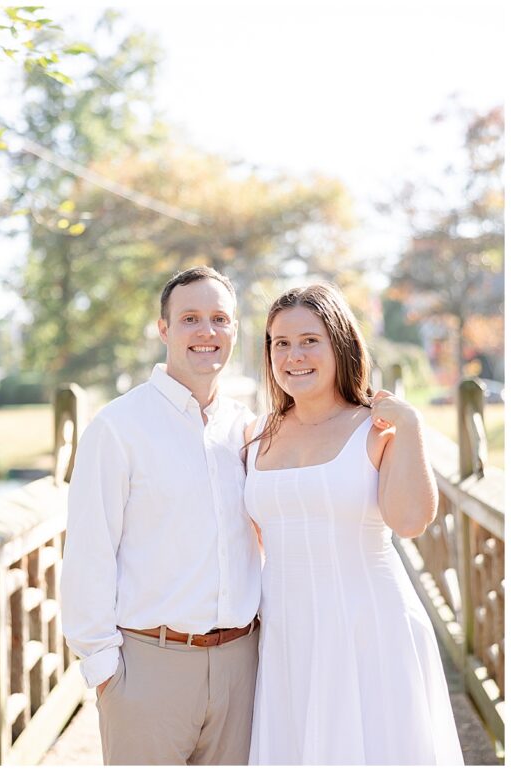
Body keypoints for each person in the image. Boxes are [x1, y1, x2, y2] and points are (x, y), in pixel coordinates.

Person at [244, 283, 463, 765]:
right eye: (281, 343)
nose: (293, 356)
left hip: (369, 626)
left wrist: (412, 430)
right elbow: (255, 536)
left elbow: (409, 521)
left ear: (340, 344)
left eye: (309, 340)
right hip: (287, 632)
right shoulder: (256, 433)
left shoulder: (378, 426)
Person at [61, 266, 262, 765]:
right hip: (150, 668)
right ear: (164, 328)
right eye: (190, 318)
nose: (206, 332)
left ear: (235, 329)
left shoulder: (249, 428)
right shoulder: (117, 427)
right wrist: (105, 671)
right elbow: (88, 553)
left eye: (220, 318)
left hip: (245, 666)